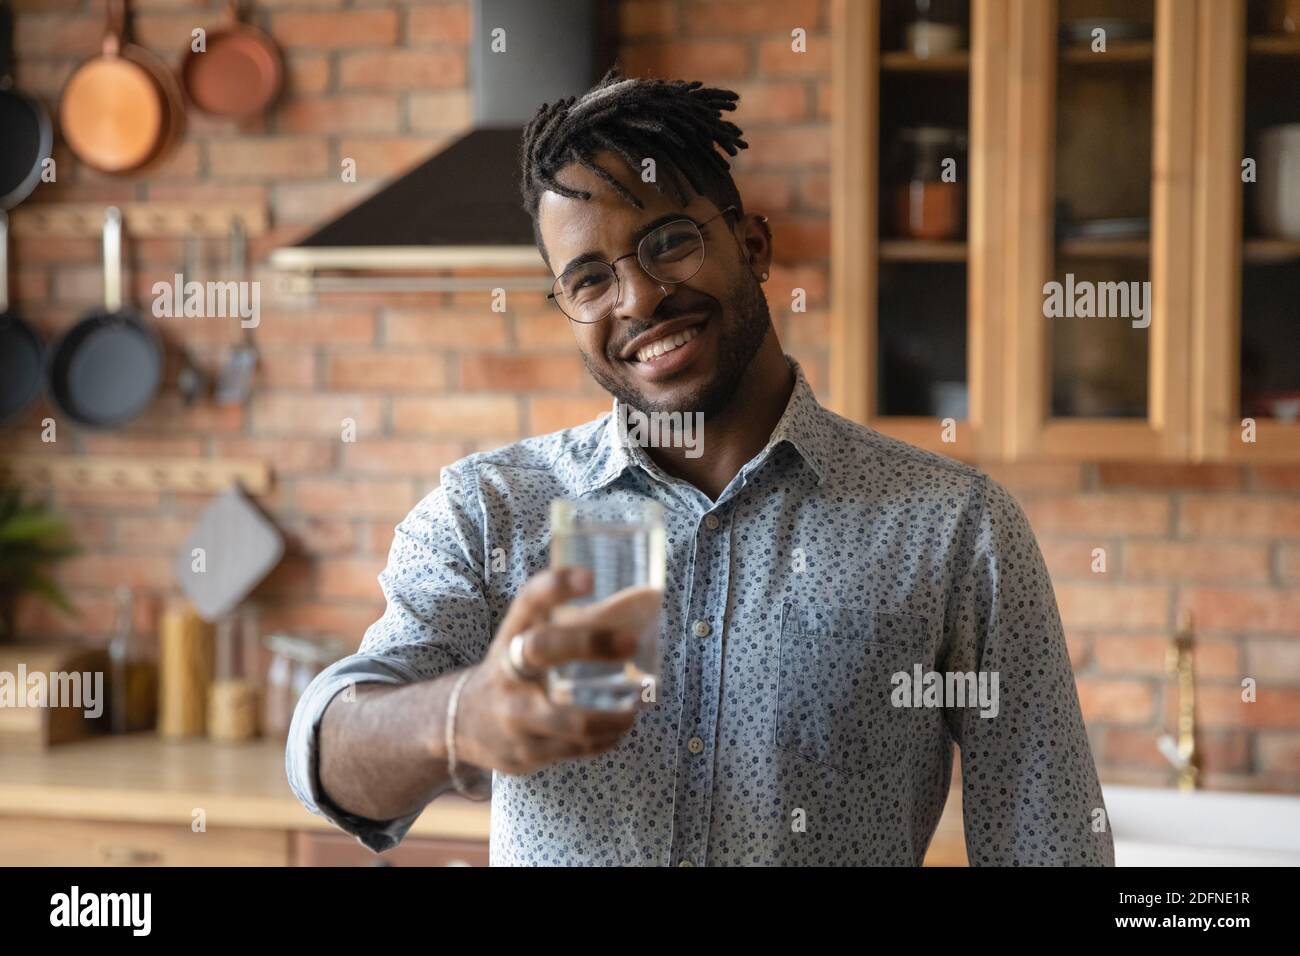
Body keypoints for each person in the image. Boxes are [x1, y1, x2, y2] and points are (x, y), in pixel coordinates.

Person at [287, 69, 1114, 867]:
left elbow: (1051, 841)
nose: (638, 299)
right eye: (588, 280)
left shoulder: (952, 528)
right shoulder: (491, 511)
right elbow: (328, 752)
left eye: (669, 241)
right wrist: (467, 719)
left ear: (752, 245)